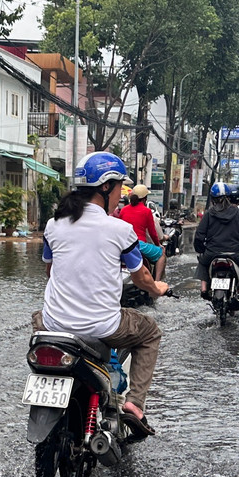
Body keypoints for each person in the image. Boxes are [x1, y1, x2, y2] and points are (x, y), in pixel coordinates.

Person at [38, 151, 167, 433]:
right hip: (102, 326)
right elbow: (141, 276)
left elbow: (49, 271)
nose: (122, 194)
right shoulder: (119, 229)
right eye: (120, 187)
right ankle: (134, 404)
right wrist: (157, 288)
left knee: (39, 318)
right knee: (150, 332)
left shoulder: (53, 225)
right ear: (106, 187)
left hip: (54, 325)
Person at [194, 182, 239, 299]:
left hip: (212, 253)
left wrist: (202, 249)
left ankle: (203, 288)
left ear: (213, 199)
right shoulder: (238, 213)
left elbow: (199, 235)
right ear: (228, 197)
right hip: (235, 253)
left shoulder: (209, 214)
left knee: (202, 260)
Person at [117, 182, 166, 281]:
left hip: (123, 245)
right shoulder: (147, 211)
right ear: (145, 199)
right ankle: (157, 283)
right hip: (139, 245)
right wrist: (158, 245)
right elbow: (153, 233)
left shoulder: (123, 210)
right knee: (162, 255)